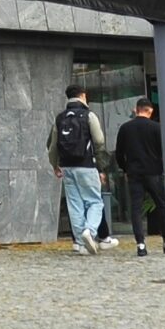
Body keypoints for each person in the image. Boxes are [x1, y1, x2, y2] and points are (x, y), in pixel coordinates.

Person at [49, 85, 108, 254]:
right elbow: (99, 141)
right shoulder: (89, 115)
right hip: (86, 164)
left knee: (74, 204)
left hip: (66, 166)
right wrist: (101, 166)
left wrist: (55, 165)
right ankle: (90, 231)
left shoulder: (60, 118)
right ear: (83, 95)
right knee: (95, 201)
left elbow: (52, 146)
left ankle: (81, 245)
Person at [112, 97, 165, 257]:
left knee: (136, 209)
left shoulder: (125, 128)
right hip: (154, 172)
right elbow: (164, 150)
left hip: (134, 173)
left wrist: (125, 168)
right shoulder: (156, 128)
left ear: (136, 110)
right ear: (150, 111)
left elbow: (119, 153)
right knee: (161, 205)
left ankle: (141, 244)